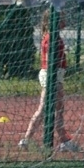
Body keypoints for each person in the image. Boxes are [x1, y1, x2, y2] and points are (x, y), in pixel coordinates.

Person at [22, 9, 72, 152]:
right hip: (51, 75)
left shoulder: (54, 36)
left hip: (56, 75)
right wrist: (53, 80)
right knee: (45, 108)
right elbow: (50, 60)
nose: (64, 20)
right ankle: (27, 139)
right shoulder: (51, 37)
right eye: (61, 18)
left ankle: (63, 140)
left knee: (58, 109)